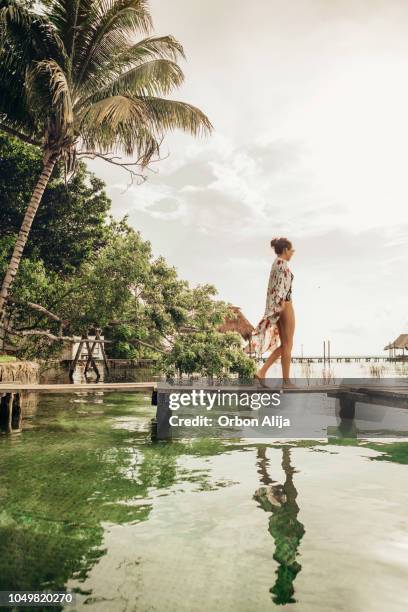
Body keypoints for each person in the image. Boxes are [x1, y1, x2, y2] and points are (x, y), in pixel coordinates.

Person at [253, 237, 295, 385]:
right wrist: (282, 304)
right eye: (291, 250)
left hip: (277, 305)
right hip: (285, 305)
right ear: (285, 250)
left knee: (285, 345)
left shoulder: (275, 264)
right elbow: (281, 287)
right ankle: (285, 381)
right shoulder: (282, 264)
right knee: (288, 345)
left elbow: (274, 287)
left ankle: (262, 372)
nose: (293, 253)